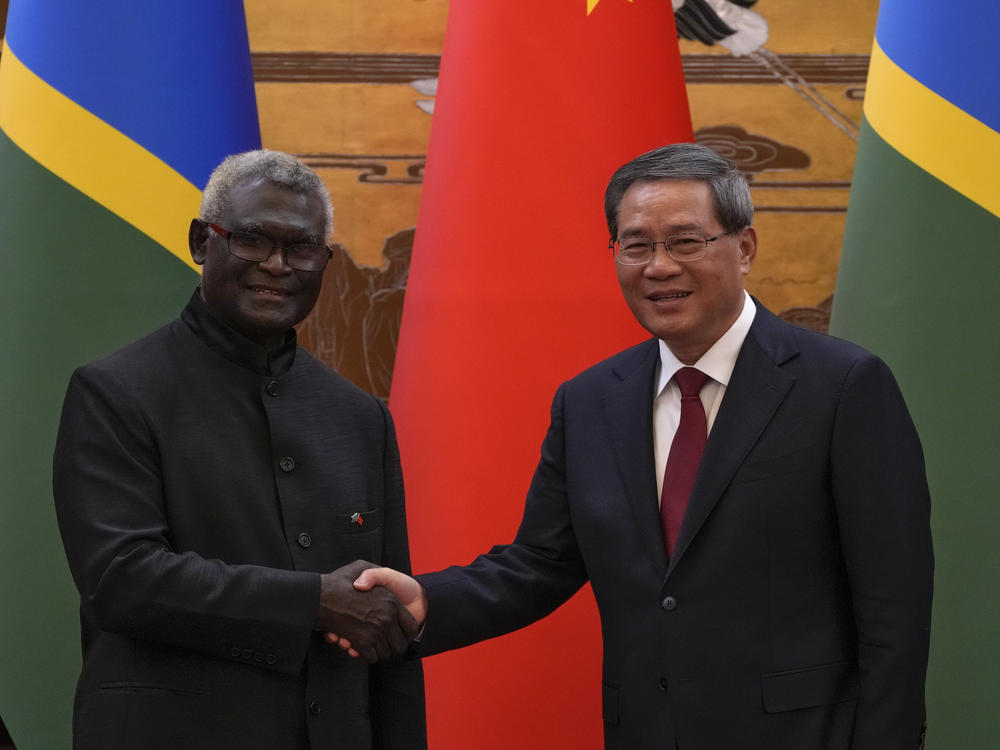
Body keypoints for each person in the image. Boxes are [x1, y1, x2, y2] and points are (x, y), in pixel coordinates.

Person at [342, 143, 934, 749]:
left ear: (745, 248)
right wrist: (426, 602)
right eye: (636, 244)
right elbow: (540, 564)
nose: (658, 266)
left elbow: (895, 608)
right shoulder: (591, 401)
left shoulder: (842, 387)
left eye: (685, 242)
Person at [53, 150, 426, 750]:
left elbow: (387, 628)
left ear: (324, 263)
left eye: (302, 248)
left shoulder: (360, 418)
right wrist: (314, 602)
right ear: (204, 242)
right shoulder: (117, 392)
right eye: (252, 240)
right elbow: (122, 580)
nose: (277, 266)